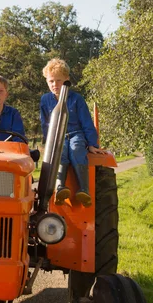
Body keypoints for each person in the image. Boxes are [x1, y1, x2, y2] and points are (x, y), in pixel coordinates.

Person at [40, 58, 106, 207]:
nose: (54, 85)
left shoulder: (77, 99)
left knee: (76, 149)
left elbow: (86, 123)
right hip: (57, 136)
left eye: (58, 80)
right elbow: (45, 123)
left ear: (67, 80)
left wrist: (92, 144)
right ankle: (59, 188)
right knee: (60, 150)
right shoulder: (45, 100)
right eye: (51, 81)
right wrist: (47, 142)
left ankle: (84, 190)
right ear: (47, 81)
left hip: (76, 133)